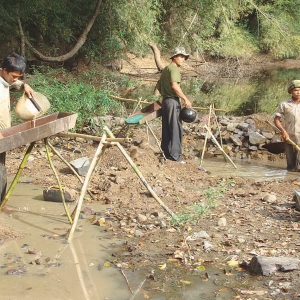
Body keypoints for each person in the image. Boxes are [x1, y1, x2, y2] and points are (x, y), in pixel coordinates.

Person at [0, 53, 35, 201]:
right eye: (14, 76)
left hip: (3, 134)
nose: (15, 79)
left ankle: (1, 202)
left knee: (1, 167)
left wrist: (24, 85)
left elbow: (14, 83)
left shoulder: (6, 81)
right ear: (3, 70)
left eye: (19, 77)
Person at [156, 46, 192, 163]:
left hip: (165, 101)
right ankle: (176, 156)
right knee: (176, 128)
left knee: (167, 128)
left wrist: (167, 95)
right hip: (172, 101)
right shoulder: (174, 69)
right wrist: (185, 99)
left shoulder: (166, 69)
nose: (183, 59)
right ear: (175, 57)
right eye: (181, 56)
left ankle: (166, 153)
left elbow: (159, 88)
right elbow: (174, 86)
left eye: (184, 57)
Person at [274, 80, 300, 171]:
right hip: (289, 138)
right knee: (291, 166)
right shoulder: (284, 104)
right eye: (296, 90)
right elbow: (276, 120)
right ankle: (290, 181)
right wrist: (283, 131)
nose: (298, 92)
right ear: (291, 91)